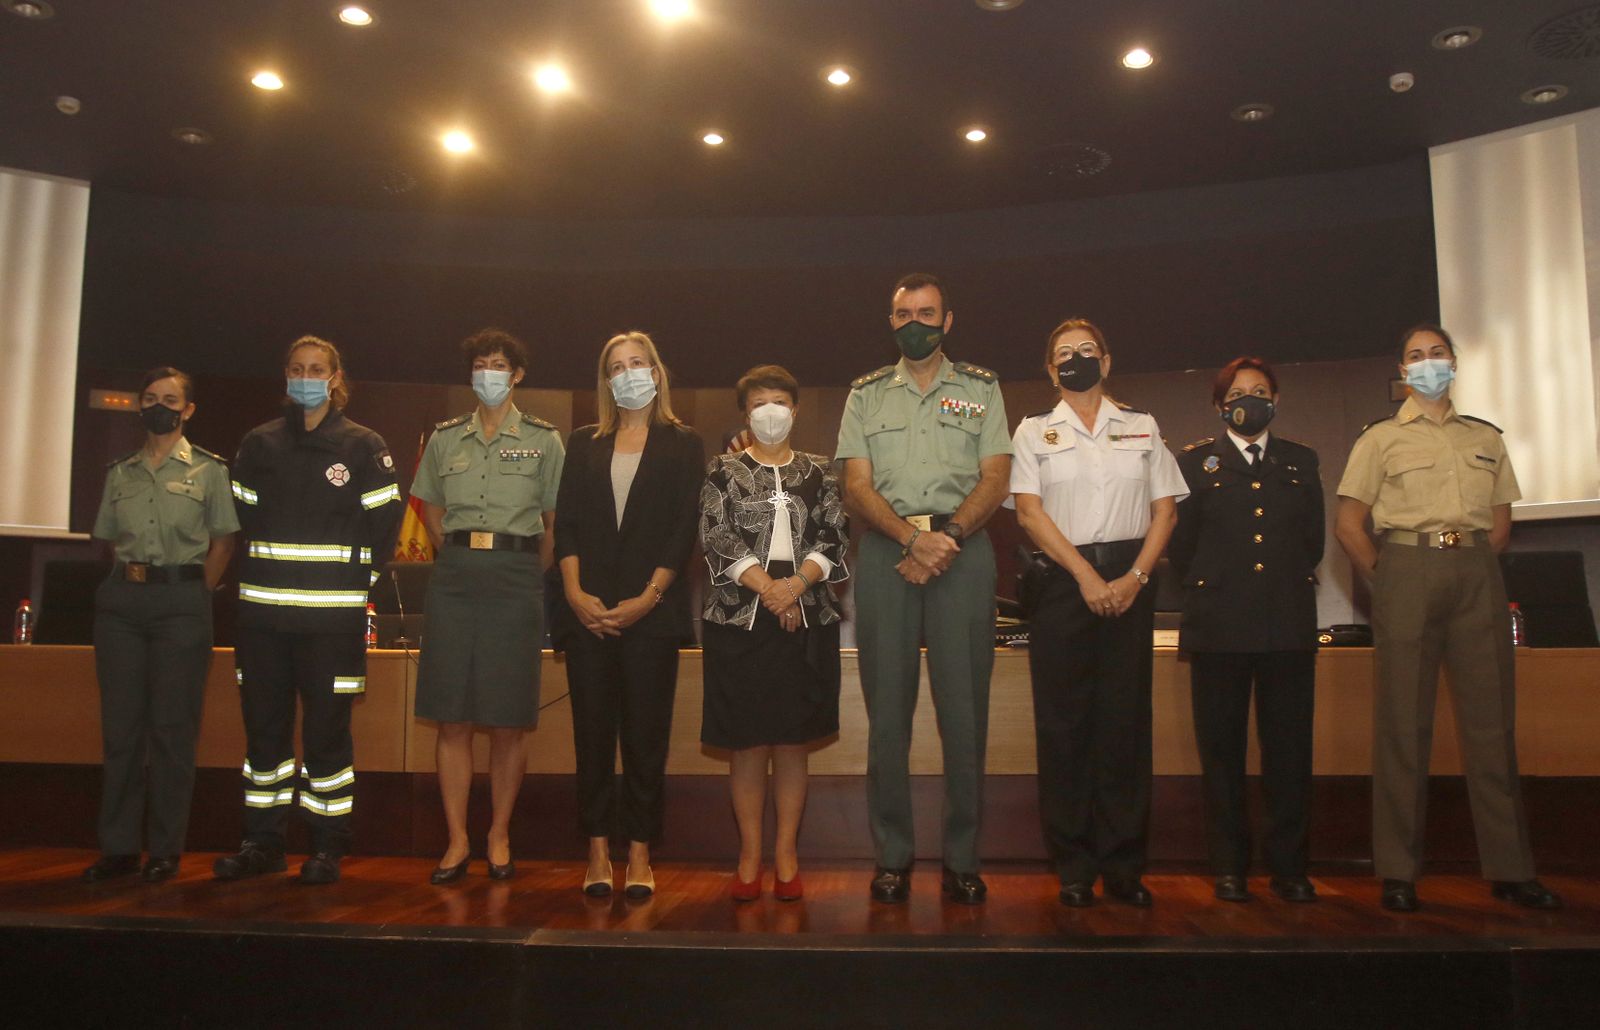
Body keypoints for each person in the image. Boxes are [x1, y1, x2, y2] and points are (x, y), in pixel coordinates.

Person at [1334, 323, 1560, 912]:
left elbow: (1501, 519)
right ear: (1402, 371)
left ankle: (1511, 870)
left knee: (1492, 727)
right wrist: (1389, 580)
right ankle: (1399, 873)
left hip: (1477, 572)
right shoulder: (1379, 439)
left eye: (1437, 354)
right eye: (1415, 356)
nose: (1427, 363)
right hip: (1407, 566)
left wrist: (1469, 556)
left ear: (1454, 363)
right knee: (1403, 726)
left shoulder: (1485, 437)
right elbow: (1349, 525)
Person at [835, 273, 1011, 905]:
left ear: (949, 320)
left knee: (965, 714)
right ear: (891, 321)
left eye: (928, 312)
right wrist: (913, 541)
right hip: (888, 554)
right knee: (888, 715)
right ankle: (893, 855)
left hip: (963, 554)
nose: (916, 322)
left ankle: (963, 857)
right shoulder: (866, 395)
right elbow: (855, 486)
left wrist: (946, 538)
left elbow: (996, 477)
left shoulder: (982, 390)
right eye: (904, 313)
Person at [1009, 318, 1186, 907]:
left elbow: (1166, 511)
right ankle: (1075, 866)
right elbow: (1029, 513)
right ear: (1050, 369)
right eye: (1065, 353)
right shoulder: (1034, 431)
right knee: (1064, 728)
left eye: (1088, 351)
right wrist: (1085, 577)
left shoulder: (1141, 425)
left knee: (1124, 724)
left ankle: (1125, 865)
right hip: (1063, 586)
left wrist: (1135, 578)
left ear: (1106, 362)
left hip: (1132, 583)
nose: (1077, 359)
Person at [216, 336, 403, 885]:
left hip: (331, 626)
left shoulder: (364, 447)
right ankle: (262, 842)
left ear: (336, 378)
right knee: (265, 737)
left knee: (327, 737)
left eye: (316, 369)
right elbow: (240, 520)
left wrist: (352, 586)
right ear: (285, 376)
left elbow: (385, 530)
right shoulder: (258, 445)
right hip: (263, 623)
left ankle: (327, 846)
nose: (306, 376)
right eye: (297, 368)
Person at [409, 329, 565, 884]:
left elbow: (554, 526)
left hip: (516, 575)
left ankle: (498, 834)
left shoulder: (545, 440)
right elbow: (427, 509)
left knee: (506, 720)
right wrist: (458, 549)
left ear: (517, 374)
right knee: (451, 716)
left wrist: (525, 569)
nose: (489, 373)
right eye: (480, 364)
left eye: (499, 365)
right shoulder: (446, 437)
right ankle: (456, 840)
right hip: (454, 577)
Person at [554, 331, 704, 898]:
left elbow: (683, 528)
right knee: (592, 736)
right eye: (617, 366)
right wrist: (573, 591)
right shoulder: (583, 442)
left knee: (645, 738)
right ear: (605, 380)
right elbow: (565, 522)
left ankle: (639, 851)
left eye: (637, 363)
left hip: (652, 614)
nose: (628, 373)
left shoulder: (683, 443)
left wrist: (650, 596)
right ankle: (596, 849)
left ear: (657, 372)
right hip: (587, 610)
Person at [1168, 356, 1322, 903]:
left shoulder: (1301, 461)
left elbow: (1313, 543)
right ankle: (1229, 866)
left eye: (1260, 391)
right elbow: (1180, 551)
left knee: (1289, 753)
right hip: (1219, 628)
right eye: (1238, 392)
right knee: (1222, 754)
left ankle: (1289, 868)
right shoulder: (1193, 467)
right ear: (1219, 404)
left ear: (1275, 402)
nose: (1249, 399)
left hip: (1288, 626)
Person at [80, 367, 238, 884]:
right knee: (121, 730)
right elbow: (107, 539)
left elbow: (224, 542)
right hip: (123, 602)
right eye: (150, 398)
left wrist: (197, 593)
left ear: (188, 409)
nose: (159, 406)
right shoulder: (120, 470)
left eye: (170, 399)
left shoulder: (209, 470)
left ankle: (165, 849)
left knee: (171, 731)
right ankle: (120, 847)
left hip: (181, 602)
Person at [699, 365, 849, 901]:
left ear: (796, 409)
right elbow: (716, 537)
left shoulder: (820, 471)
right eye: (759, 402)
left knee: (791, 742)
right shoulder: (722, 470)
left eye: (779, 401)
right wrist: (771, 590)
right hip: (740, 619)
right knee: (746, 743)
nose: (770, 411)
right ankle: (748, 856)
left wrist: (795, 588)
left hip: (806, 616)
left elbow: (833, 538)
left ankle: (786, 854)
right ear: (746, 413)